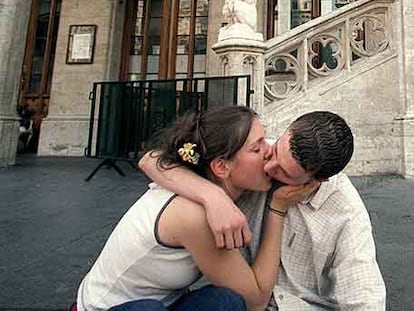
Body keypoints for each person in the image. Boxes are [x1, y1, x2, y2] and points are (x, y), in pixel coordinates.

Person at [75, 106, 319, 311]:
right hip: (107, 307)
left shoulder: (198, 182)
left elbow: (153, 158)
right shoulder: (193, 216)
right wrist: (278, 209)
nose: (269, 152)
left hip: (167, 301)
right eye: (257, 148)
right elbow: (256, 300)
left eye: (265, 140)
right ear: (221, 167)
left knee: (226, 301)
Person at [139, 110, 386, 310]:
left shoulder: (345, 210)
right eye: (275, 149)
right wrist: (212, 196)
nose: (268, 167)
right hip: (240, 301)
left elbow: (364, 293)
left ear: (317, 180)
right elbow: (153, 159)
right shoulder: (255, 157)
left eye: (285, 173)